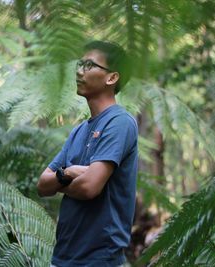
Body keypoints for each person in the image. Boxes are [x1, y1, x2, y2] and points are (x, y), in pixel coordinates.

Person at [37, 41, 138, 267]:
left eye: (89, 65)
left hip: (99, 259)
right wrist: (68, 173)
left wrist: (60, 182)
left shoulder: (120, 122)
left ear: (111, 78)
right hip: (63, 256)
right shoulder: (79, 131)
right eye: (80, 64)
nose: (79, 70)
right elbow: (42, 186)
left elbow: (89, 187)